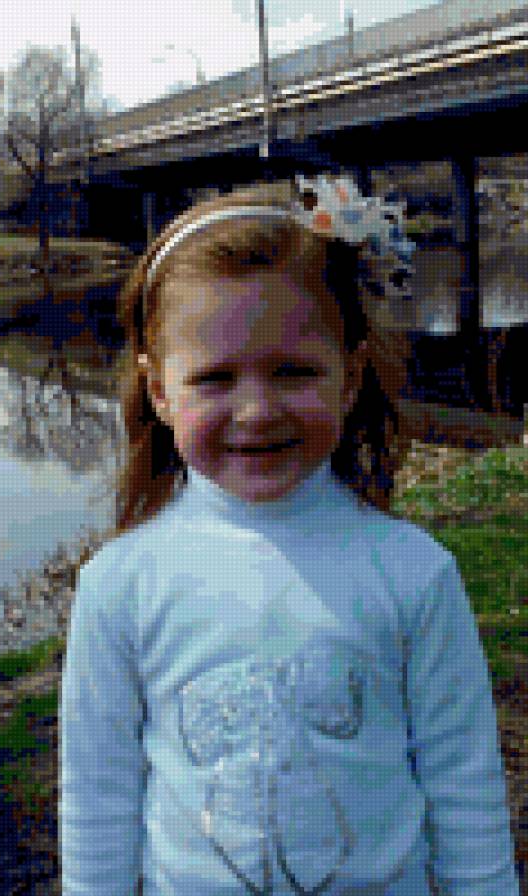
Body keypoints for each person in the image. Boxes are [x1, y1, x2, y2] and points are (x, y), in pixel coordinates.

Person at [59, 174, 519, 895]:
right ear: (159, 391)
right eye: (215, 379)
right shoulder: (120, 584)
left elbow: (465, 787)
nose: (256, 411)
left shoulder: (413, 572)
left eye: (294, 372)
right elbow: (98, 798)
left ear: (349, 378)